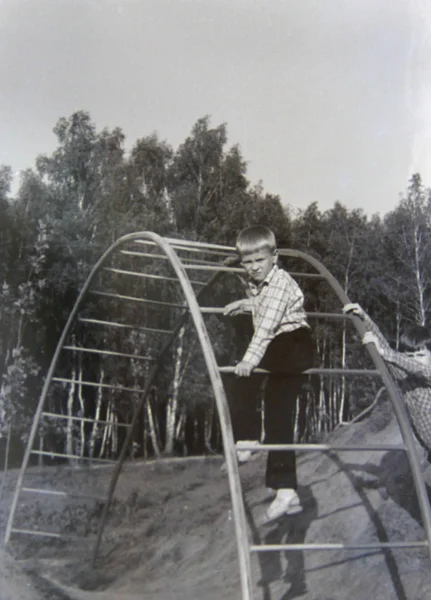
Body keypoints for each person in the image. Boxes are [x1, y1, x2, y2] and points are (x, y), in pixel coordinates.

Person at [223, 226, 314, 523]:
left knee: (244, 377)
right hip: (284, 344)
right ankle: (287, 489)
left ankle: (249, 439)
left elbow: (265, 329)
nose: (253, 268)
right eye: (247, 263)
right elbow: (266, 309)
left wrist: (249, 361)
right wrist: (246, 304)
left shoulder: (279, 283)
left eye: (259, 261)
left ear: (274, 257)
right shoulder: (262, 285)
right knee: (277, 413)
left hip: (291, 345)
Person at [343, 303, 431, 453]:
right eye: (410, 356)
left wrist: (385, 353)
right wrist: (364, 318)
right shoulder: (403, 375)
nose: (415, 360)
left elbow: (419, 369)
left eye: (421, 355)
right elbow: (384, 346)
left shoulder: (427, 374)